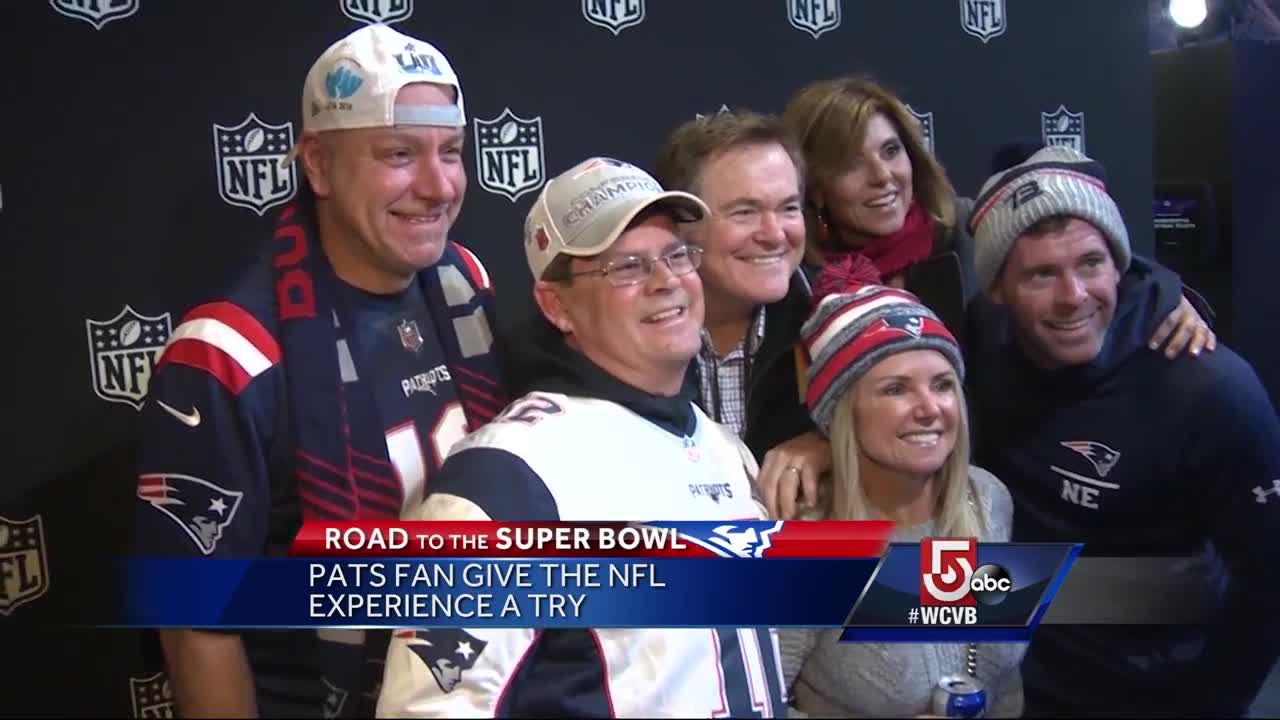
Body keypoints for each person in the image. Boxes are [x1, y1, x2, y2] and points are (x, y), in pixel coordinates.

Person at [134, 24, 505, 717]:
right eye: (398, 154)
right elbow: (194, 629)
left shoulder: (465, 282)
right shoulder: (227, 350)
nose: (438, 185)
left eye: (451, 152)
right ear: (320, 166)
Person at [376, 157, 787, 717]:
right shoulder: (508, 475)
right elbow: (423, 708)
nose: (666, 281)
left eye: (675, 255)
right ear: (556, 304)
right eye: (627, 267)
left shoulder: (722, 448)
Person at [965, 145, 1280, 716]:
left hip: (1148, 692)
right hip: (1008, 661)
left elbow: (1270, 582)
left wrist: (1211, 705)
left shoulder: (1212, 390)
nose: (1074, 297)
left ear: (1120, 264)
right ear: (998, 290)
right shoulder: (979, 337)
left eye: (1091, 263)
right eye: (1041, 274)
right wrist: (816, 436)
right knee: (801, 587)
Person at [780, 76, 1214, 358]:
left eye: (891, 151)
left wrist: (1167, 292)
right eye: (852, 164)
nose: (883, 176)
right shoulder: (796, 280)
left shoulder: (969, 227)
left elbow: (1089, 262)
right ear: (815, 186)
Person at [779, 284, 1025, 718]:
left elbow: (1005, 685)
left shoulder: (988, 499)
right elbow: (749, 703)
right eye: (896, 389)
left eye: (943, 385)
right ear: (844, 412)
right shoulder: (804, 539)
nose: (930, 408)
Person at [654, 110, 829, 520]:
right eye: (745, 212)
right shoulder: (628, 338)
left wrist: (831, 443)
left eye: (788, 208)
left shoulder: (836, 326)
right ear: (681, 224)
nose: (774, 234)